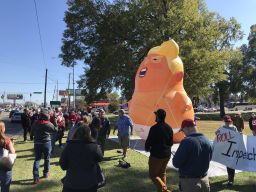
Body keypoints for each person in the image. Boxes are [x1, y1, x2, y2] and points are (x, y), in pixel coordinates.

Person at [60, 123, 103, 192]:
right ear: (89, 134)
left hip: (71, 183)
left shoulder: (69, 146)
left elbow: (63, 165)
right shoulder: (94, 146)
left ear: (76, 133)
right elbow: (100, 158)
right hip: (89, 183)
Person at [173, 119, 212, 192]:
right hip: (205, 181)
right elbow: (209, 158)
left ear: (187, 128)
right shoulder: (206, 139)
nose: (183, 133)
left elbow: (176, 163)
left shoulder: (187, 141)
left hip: (190, 182)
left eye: (183, 131)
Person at [145, 109, 173, 192]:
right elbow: (171, 142)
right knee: (162, 174)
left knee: (153, 175)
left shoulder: (154, 128)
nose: (155, 116)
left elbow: (149, 141)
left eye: (156, 115)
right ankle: (161, 190)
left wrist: (147, 148)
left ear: (158, 116)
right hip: (167, 155)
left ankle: (164, 189)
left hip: (157, 156)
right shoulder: (169, 127)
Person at [30, 108, 58, 184]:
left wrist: (32, 136)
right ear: (47, 116)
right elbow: (55, 130)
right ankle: (46, 173)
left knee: (37, 159)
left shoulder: (36, 123)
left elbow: (31, 132)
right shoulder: (48, 123)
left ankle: (36, 177)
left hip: (37, 143)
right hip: (47, 143)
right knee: (47, 158)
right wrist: (55, 122)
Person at [215, 115, 238, 186]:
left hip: (232, 148)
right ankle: (230, 178)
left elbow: (237, 136)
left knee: (231, 165)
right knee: (228, 164)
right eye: (227, 122)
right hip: (226, 149)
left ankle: (231, 181)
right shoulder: (222, 128)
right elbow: (216, 133)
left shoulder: (234, 127)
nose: (228, 123)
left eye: (229, 121)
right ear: (224, 121)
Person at [0, 121, 15, 192]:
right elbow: (12, 152)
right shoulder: (6, 140)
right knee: (5, 187)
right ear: (2, 129)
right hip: (4, 165)